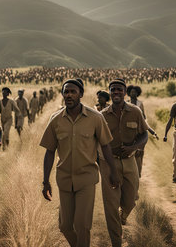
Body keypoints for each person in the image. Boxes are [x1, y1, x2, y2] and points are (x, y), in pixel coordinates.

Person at [40, 79, 120, 247]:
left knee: (82, 225)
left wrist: (112, 172)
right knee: (65, 226)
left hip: (86, 179)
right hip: (64, 179)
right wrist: (45, 181)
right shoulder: (55, 120)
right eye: (66, 92)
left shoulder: (95, 118)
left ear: (81, 95)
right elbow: (49, 151)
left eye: (73, 91)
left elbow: (105, 146)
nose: (69, 95)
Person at [100, 79, 149, 247]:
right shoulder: (102, 116)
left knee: (131, 199)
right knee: (111, 205)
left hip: (130, 161)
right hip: (108, 163)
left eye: (119, 89)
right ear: (109, 92)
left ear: (125, 92)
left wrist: (134, 147)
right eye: (113, 90)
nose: (116, 92)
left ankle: (124, 215)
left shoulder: (135, 111)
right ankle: (116, 242)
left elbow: (144, 134)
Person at [127, 85, 159, 177]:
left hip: (139, 129)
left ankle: (139, 172)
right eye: (132, 92)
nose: (133, 93)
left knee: (140, 152)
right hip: (129, 130)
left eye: (135, 92)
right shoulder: (126, 103)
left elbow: (143, 116)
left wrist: (149, 129)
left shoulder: (140, 103)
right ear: (129, 93)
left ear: (138, 93)